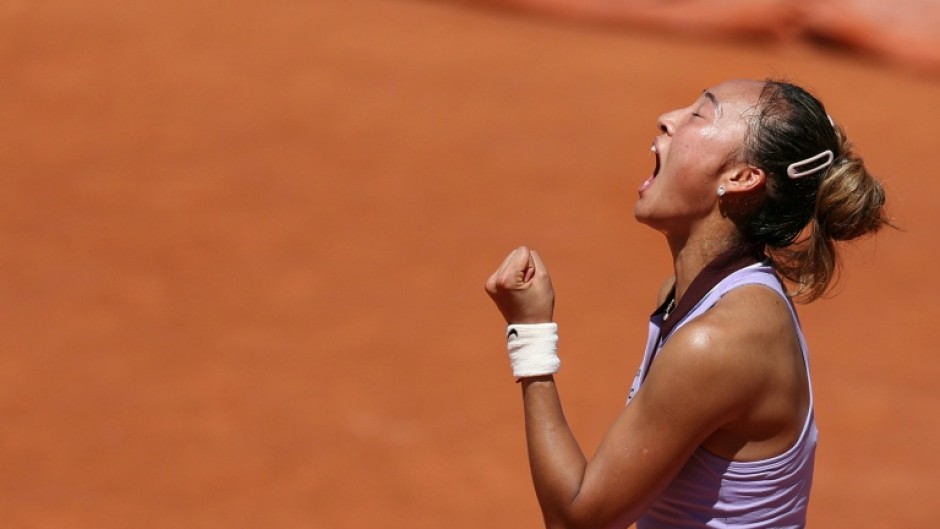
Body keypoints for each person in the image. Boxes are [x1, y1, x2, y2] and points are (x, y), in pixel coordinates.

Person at [484, 79, 891, 529]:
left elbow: (577, 519)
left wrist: (531, 334)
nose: (668, 118)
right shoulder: (697, 298)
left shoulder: (719, 341)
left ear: (740, 178)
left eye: (700, 114)